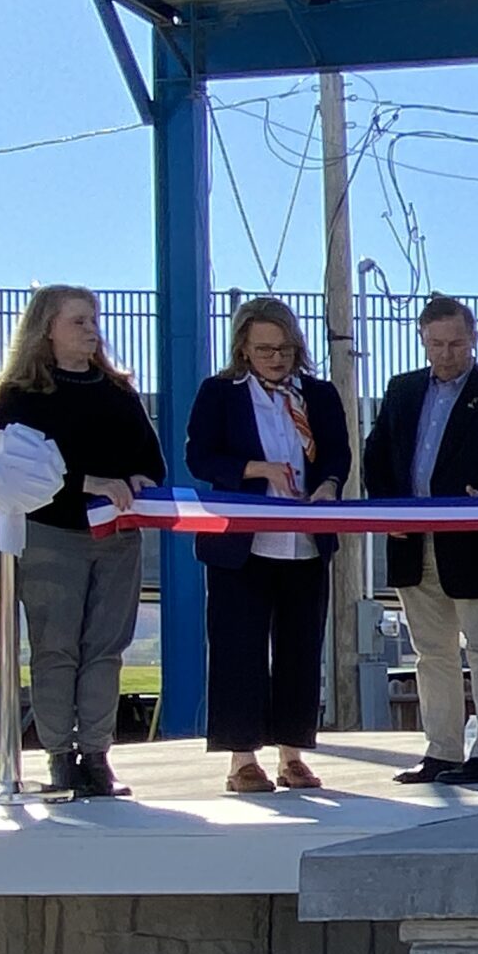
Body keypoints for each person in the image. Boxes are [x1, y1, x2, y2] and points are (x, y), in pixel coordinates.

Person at [0, 284, 165, 799]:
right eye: (78, 321)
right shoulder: (17, 395)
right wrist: (88, 482)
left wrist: (135, 481)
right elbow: (16, 469)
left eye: (93, 320)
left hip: (116, 536)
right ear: (47, 328)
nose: (91, 330)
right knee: (56, 647)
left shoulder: (118, 391)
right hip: (51, 535)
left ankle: (98, 753)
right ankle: (60, 755)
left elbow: (150, 461)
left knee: (107, 647)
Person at [361, 294, 478, 786]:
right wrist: (386, 507)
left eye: (456, 343)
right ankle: (440, 751)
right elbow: (377, 454)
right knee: (430, 650)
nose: (446, 353)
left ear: (473, 340)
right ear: (422, 340)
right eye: (436, 343)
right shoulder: (401, 391)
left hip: (473, 542)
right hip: (411, 539)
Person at [186, 297, 351, 794]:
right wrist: (256, 470)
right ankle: (242, 760)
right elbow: (201, 457)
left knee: (301, 649)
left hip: (304, 544)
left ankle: (293, 755)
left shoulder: (318, 395)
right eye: (264, 349)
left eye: (284, 349)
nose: (276, 358)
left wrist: (328, 487)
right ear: (243, 349)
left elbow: (337, 454)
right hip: (242, 545)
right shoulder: (220, 393)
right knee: (240, 649)